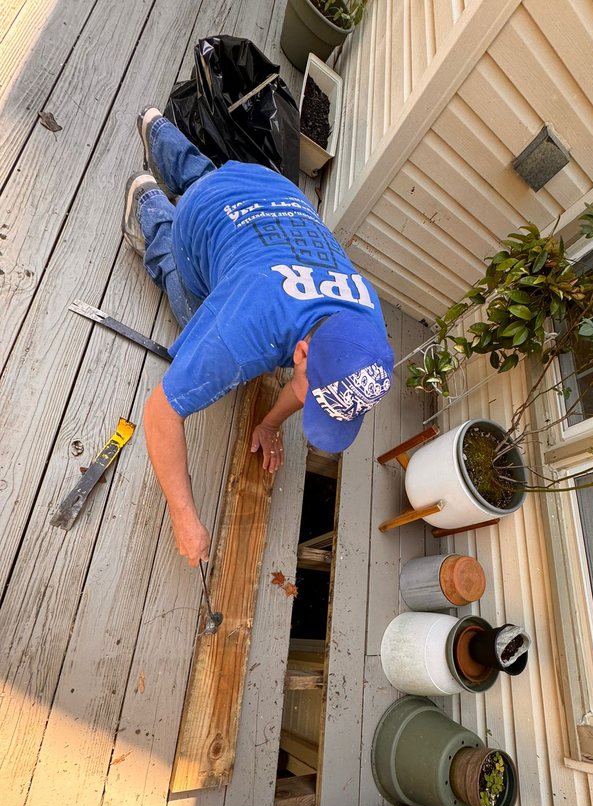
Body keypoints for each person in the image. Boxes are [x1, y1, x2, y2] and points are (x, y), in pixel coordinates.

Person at [121, 108, 393, 567]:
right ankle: (149, 207)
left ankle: (158, 128)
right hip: (203, 218)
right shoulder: (244, 331)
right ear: (302, 351)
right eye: (316, 396)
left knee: (208, 183)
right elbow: (160, 412)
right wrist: (184, 516)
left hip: (267, 189)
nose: (313, 404)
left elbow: (309, 379)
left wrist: (268, 424)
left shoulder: (366, 320)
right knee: (192, 313)